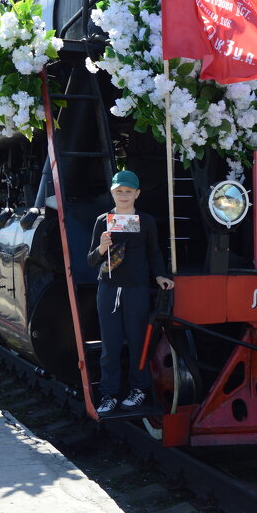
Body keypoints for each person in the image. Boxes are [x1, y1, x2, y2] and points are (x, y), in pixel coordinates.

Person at [86, 170, 174, 415]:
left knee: (138, 343)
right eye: (118, 191)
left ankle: (138, 389)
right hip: (108, 289)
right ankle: (109, 394)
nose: (123, 195)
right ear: (112, 193)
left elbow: (154, 253)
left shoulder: (146, 221)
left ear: (137, 194)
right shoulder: (102, 220)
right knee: (110, 346)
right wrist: (102, 248)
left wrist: (160, 276)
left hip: (136, 290)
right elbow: (91, 260)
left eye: (127, 191)